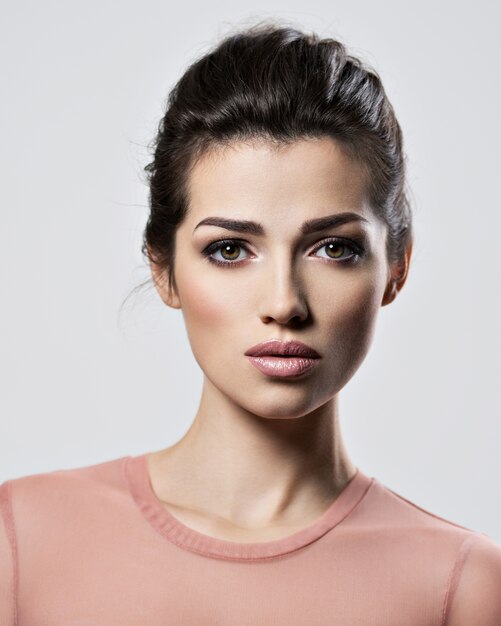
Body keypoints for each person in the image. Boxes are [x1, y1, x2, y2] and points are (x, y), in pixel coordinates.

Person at [1, 22, 500, 625]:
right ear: (164, 269)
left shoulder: (463, 586)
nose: (284, 302)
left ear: (396, 267)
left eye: (333, 248)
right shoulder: (22, 542)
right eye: (231, 250)